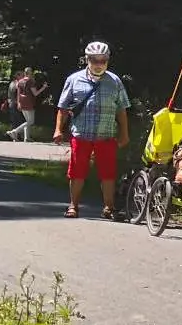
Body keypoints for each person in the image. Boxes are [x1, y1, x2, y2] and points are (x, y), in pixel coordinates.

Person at [53, 42, 131, 218]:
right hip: (81, 134)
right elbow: (63, 107)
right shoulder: (74, 79)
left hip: (107, 135)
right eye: (95, 60)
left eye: (102, 60)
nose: (98, 63)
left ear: (107, 60)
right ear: (87, 60)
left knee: (108, 173)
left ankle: (109, 208)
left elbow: (122, 109)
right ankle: (73, 206)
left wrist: (124, 133)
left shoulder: (115, 81)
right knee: (77, 171)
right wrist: (58, 129)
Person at [6, 66, 40, 142]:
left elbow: (17, 93)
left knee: (26, 121)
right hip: (28, 102)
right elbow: (35, 93)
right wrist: (43, 88)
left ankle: (26, 137)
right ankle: (14, 132)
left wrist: (18, 103)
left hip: (19, 103)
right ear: (30, 73)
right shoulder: (30, 81)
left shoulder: (18, 82)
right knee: (30, 121)